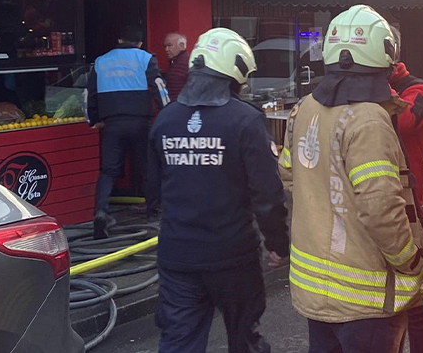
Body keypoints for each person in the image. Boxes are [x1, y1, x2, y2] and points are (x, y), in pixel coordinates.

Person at [279, 5, 423, 353]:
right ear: (385, 54)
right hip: (365, 300)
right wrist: (409, 259)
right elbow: (380, 207)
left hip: (315, 290)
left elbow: (290, 176)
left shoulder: (303, 108)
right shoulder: (368, 119)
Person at [147, 28, 288, 353]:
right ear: (234, 73)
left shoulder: (165, 120)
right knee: (244, 340)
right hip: (232, 256)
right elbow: (267, 195)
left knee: (178, 343)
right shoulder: (245, 120)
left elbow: (152, 192)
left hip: (177, 256)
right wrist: (278, 243)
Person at [387, 28, 423, 353]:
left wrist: (375, 85)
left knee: (415, 309)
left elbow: (401, 123)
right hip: (372, 205)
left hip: (409, 211)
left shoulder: (419, 89)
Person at [87, 24, 161, 239]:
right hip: (140, 122)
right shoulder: (145, 58)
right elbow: (159, 89)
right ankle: (153, 215)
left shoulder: (101, 61)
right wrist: (167, 114)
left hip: (112, 124)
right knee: (148, 168)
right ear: (139, 43)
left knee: (108, 171)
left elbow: (90, 95)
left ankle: (101, 212)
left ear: (119, 40)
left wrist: (95, 118)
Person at [162, 32, 190, 101]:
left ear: (181, 46)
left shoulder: (188, 63)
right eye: (165, 46)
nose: (166, 49)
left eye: (170, 45)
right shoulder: (174, 62)